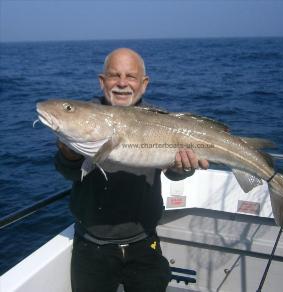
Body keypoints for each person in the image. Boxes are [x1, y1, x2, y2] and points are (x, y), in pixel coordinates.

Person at [55, 48, 209, 292]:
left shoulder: (161, 119)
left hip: (144, 243)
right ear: (102, 82)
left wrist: (184, 167)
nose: (122, 84)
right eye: (114, 76)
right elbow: (69, 170)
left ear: (144, 84)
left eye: (131, 76)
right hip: (91, 247)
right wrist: (69, 151)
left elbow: (172, 172)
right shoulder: (89, 116)